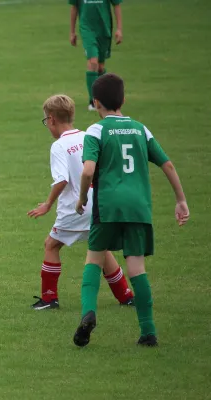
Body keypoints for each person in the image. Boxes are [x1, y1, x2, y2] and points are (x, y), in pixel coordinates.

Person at [73, 74, 190, 347]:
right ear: (123, 99)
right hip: (139, 208)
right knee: (136, 268)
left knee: (94, 259)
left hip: (108, 205)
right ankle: (148, 332)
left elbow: (88, 170)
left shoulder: (96, 131)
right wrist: (180, 200)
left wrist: (81, 198)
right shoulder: (141, 129)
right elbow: (168, 165)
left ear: (96, 102)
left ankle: (88, 313)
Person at [28, 94, 133, 310]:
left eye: (45, 121)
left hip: (75, 208)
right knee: (101, 249)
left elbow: (61, 180)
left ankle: (49, 299)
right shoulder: (87, 136)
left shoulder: (59, 146)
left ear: (51, 120)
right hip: (98, 204)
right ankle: (126, 295)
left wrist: (47, 204)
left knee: (51, 245)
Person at [69, 0, 123, 111]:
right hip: (87, 28)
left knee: (100, 67)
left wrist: (119, 29)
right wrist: (72, 32)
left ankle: (103, 99)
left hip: (104, 28)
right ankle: (93, 101)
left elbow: (117, 5)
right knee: (93, 62)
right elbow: (74, 7)